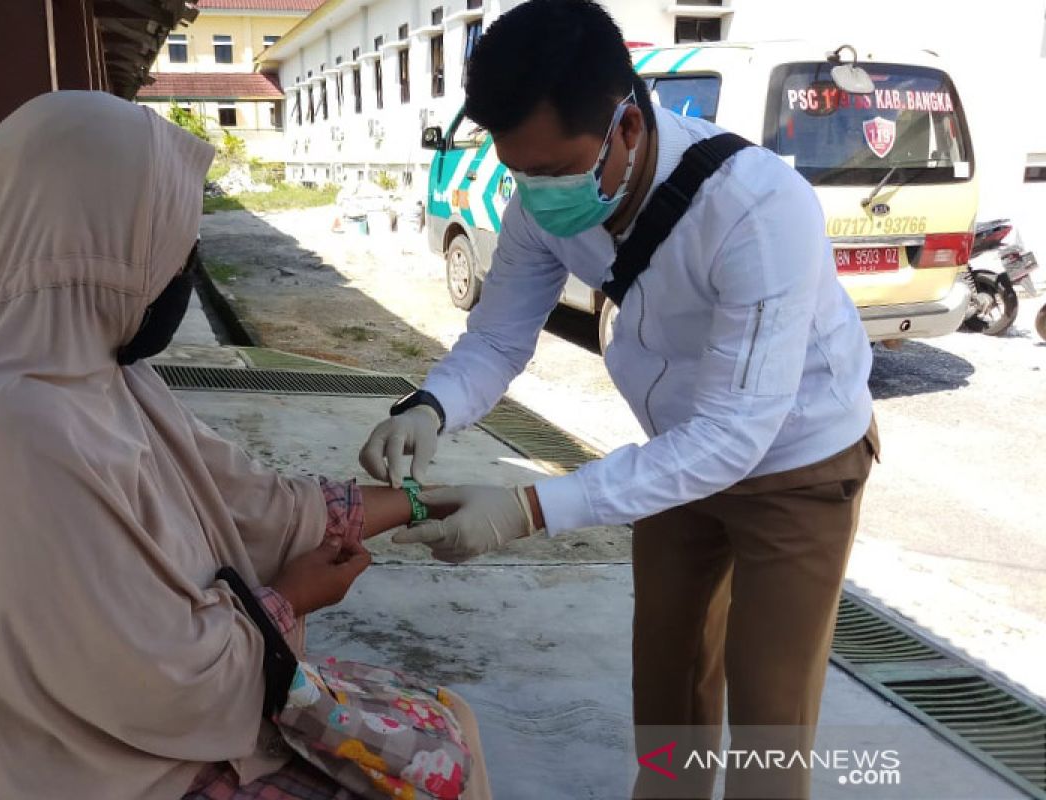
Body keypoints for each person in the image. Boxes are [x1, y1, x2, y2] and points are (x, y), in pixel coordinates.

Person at [0, 91, 489, 800]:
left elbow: (259, 505)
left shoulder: (97, 377)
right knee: (438, 767)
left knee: (449, 719)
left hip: (154, 729)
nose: (183, 270)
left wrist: (421, 501)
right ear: (100, 241)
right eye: (171, 246)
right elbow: (160, 685)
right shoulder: (13, 429)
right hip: (96, 767)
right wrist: (290, 599)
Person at [360, 1, 878, 796]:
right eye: (517, 170)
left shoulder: (757, 209)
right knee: (666, 685)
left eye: (557, 171)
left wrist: (531, 509)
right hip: (673, 451)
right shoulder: (543, 198)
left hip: (797, 462)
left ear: (629, 126)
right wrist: (429, 407)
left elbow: (737, 434)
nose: (537, 193)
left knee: (771, 721)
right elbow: (498, 338)